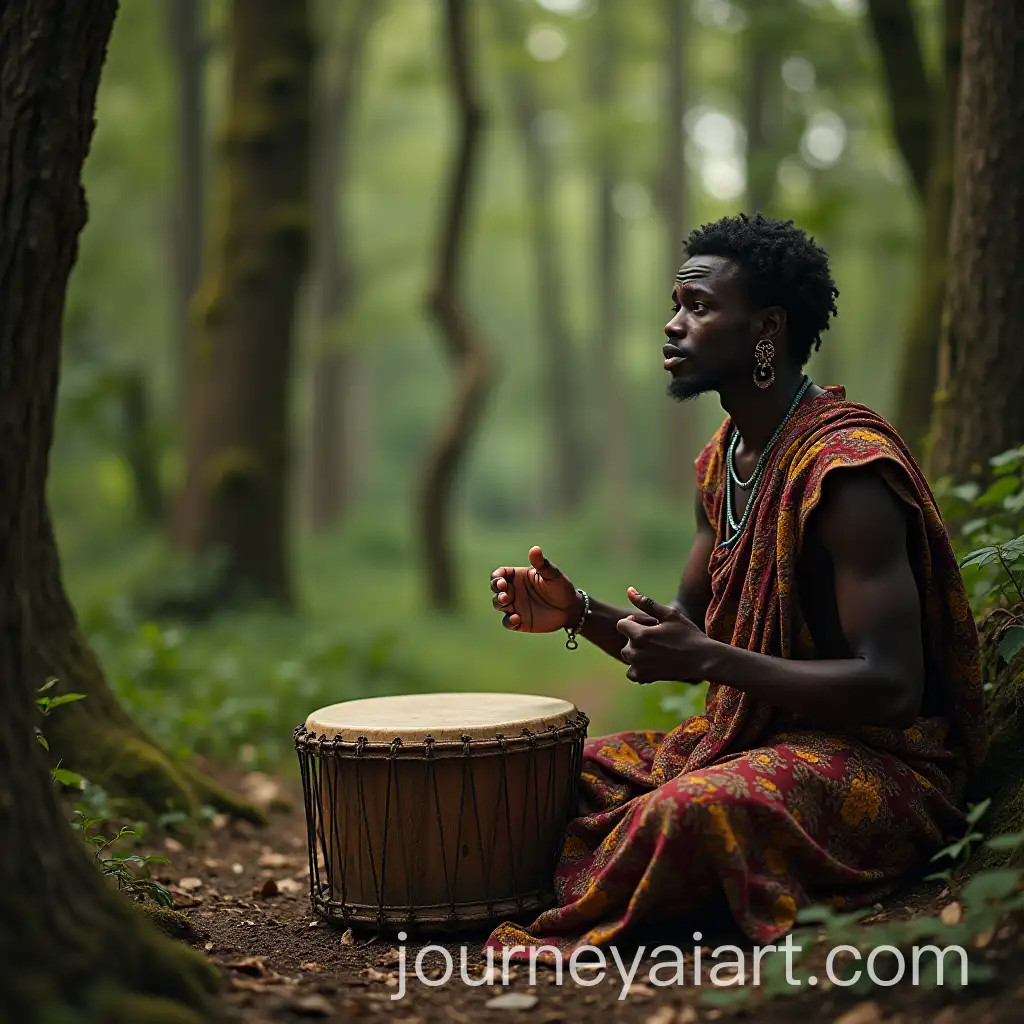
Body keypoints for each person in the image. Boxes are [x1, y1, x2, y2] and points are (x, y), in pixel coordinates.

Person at [483, 213, 986, 959]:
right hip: (748, 743)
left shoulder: (845, 474)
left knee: (691, 810)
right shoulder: (723, 463)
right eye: (675, 305)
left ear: (767, 330)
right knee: (546, 771)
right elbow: (681, 640)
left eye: (698, 307)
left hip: (878, 765)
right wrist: (577, 610)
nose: (672, 324)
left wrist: (712, 660)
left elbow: (892, 688)